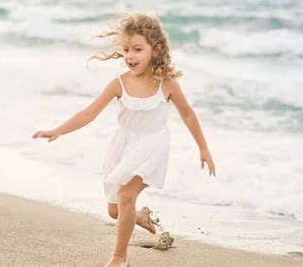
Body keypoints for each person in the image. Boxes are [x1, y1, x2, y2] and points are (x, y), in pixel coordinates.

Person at [32, 13, 216, 267]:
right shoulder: (119, 83)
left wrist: (203, 148)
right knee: (116, 211)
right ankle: (142, 217)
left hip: (152, 145)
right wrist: (58, 130)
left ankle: (119, 258)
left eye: (138, 49)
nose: (130, 56)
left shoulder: (167, 84)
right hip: (123, 146)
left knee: (127, 196)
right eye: (127, 49)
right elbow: (88, 113)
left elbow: (188, 114)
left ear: (157, 49)